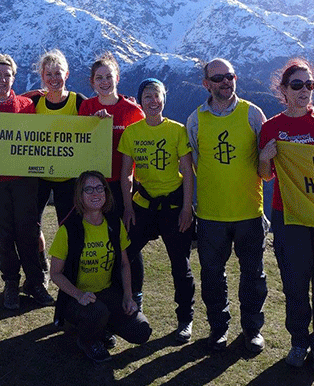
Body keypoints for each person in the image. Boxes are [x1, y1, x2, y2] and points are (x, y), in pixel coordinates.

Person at [258, 58, 314, 373]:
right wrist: (265, 158)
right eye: (297, 85)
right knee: (294, 284)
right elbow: (265, 176)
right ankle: (298, 343)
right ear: (283, 90)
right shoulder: (272, 127)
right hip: (289, 214)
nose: (305, 90)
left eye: (310, 84)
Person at [185, 58, 268, 352]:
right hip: (210, 215)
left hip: (249, 212)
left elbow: (266, 161)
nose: (225, 82)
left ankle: (252, 330)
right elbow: (194, 164)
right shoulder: (195, 120)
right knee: (211, 277)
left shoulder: (253, 114)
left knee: (253, 277)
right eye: (218, 77)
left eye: (229, 76)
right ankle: (218, 329)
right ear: (206, 83)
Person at [0, 54, 54, 310]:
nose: (2, 80)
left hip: (23, 180)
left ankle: (35, 282)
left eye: (7, 75)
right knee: (3, 235)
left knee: (27, 231)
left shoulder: (27, 105)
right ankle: (10, 283)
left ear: (14, 78)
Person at [118, 78, 196, 342]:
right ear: (140, 102)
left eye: (157, 96)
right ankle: (128, 305)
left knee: (180, 265)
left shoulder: (178, 130)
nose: (153, 101)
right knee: (125, 253)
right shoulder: (132, 132)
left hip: (174, 207)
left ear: (165, 99)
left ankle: (185, 319)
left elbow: (187, 172)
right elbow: (126, 174)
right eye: (148, 97)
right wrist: (128, 207)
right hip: (143, 205)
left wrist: (187, 209)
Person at [49, 171, 152, 362]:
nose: (95, 194)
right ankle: (87, 340)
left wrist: (128, 296)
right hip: (77, 298)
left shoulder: (114, 223)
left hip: (107, 292)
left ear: (106, 192)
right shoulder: (69, 229)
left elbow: (124, 264)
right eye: (88, 189)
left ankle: (104, 327)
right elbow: (55, 273)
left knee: (141, 331)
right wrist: (78, 295)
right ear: (79, 196)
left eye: (99, 188)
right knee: (97, 312)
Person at [26, 49, 87, 292]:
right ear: (42, 76)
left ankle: (69, 277)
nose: (53, 78)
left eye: (58, 73)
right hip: (38, 175)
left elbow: (95, 121)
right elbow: (7, 107)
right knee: (32, 226)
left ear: (67, 74)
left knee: (70, 228)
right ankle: (40, 268)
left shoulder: (78, 101)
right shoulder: (33, 101)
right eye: (48, 73)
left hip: (68, 178)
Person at [78, 52, 145, 220]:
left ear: (117, 79)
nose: (104, 82)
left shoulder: (133, 111)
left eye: (109, 76)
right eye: (99, 78)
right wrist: (94, 124)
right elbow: (80, 142)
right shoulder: (86, 107)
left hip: (122, 183)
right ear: (92, 82)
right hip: (93, 183)